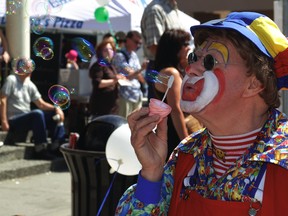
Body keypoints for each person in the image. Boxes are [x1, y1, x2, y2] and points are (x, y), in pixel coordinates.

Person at [116, 11, 288, 215]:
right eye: (193, 58)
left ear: (254, 83)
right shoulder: (187, 153)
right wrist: (152, 173)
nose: (191, 69)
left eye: (209, 62)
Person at [153, 28, 202, 159]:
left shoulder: (166, 71)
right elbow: (175, 109)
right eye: (185, 44)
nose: (188, 47)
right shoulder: (171, 73)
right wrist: (185, 142)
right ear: (174, 48)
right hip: (175, 132)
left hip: (167, 130)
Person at [0, 72, 66, 159]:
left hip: (26, 117)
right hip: (13, 120)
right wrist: (4, 122)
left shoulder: (29, 84)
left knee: (54, 114)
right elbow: (2, 100)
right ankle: (40, 149)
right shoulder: (11, 79)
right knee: (37, 114)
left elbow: (41, 104)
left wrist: (56, 108)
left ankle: (57, 146)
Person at [141, 0, 184, 101]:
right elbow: (155, 48)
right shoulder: (155, 10)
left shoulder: (171, 8)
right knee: (163, 114)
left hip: (173, 69)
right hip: (162, 69)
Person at [112, 30, 147, 118]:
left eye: (140, 43)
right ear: (127, 40)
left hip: (137, 95)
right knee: (124, 124)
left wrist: (137, 72)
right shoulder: (119, 56)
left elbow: (139, 77)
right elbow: (130, 76)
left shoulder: (134, 55)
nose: (138, 45)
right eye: (136, 42)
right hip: (125, 96)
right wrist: (141, 69)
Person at [88, 40, 124, 119]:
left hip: (112, 109)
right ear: (100, 52)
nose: (108, 52)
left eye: (110, 49)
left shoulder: (110, 66)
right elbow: (98, 83)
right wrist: (114, 80)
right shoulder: (98, 65)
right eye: (105, 50)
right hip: (101, 109)